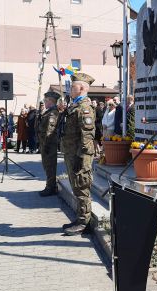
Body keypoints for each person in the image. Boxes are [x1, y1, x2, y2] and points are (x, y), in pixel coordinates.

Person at [61, 72, 96, 236]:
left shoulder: (84, 109)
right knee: (76, 189)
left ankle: (84, 222)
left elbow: (87, 136)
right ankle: (80, 218)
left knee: (82, 189)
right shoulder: (74, 106)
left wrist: (82, 158)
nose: (70, 89)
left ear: (81, 88)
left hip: (79, 155)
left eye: (73, 86)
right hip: (72, 153)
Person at [37, 92, 60, 197]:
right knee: (47, 165)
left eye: (46, 100)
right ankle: (50, 185)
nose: (44, 102)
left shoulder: (53, 113)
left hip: (49, 143)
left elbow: (49, 130)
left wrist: (45, 144)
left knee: (50, 165)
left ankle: (50, 187)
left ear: (50, 101)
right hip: (45, 142)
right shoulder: (48, 112)